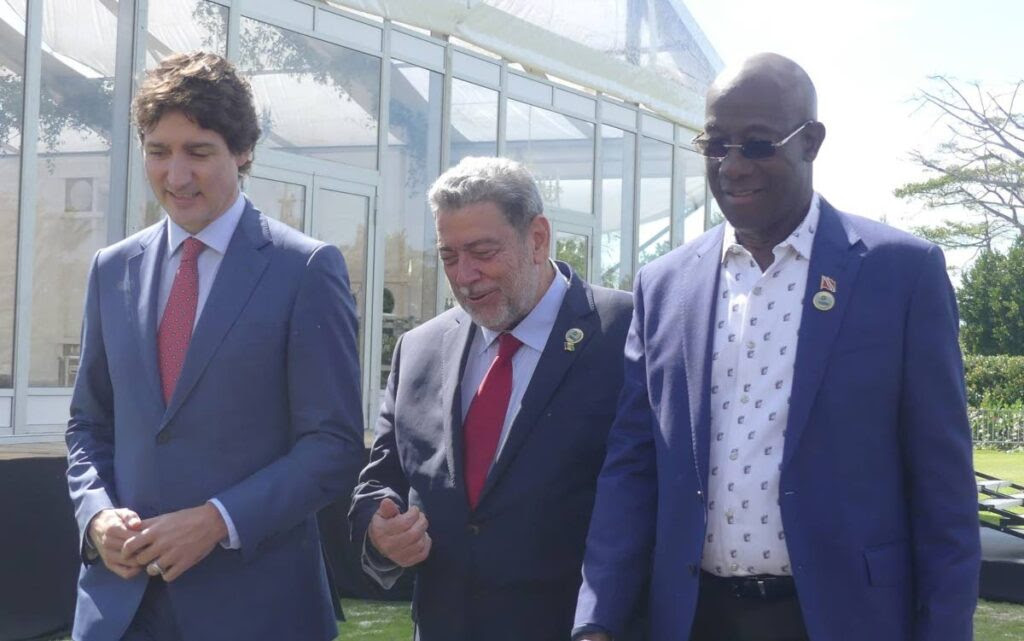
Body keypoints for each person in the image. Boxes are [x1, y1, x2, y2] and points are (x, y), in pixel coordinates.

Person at [574, 53, 980, 641]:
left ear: (810, 142)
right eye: (716, 145)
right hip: (693, 617)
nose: (732, 166)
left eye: (758, 144)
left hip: (843, 619)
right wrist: (599, 616)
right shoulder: (664, 285)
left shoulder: (900, 274)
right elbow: (632, 465)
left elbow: (942, 484)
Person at [65, 51, 364, 641]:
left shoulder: (305, 269)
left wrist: (216, 521)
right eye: (158, 152)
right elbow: (88, 425)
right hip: (119, 609)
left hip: (258, 608)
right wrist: (95, 513)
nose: (175, 176)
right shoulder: (111, 268)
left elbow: (332, 446)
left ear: (244, 151)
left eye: (198, 152)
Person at [349, 157, 637, 641]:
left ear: (538, 238)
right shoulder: (418, 350)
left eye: (483, 251)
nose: (465, 276)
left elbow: (648, 494)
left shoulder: (624, 332)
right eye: (448, 257)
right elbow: (382, 481)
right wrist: (381, 532)